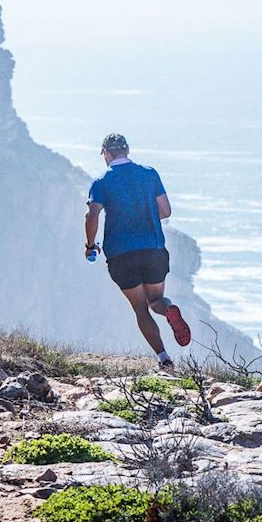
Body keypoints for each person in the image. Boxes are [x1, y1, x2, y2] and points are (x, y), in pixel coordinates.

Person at [84, 133, 191, 369]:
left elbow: (92, 215)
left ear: (107, 154)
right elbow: (165, 211)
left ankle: (164, 359)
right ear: (127, 150)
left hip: (121, 254)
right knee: (156, 300)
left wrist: (90, 245)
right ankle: (169, 310)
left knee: (140, 308)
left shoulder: (101, 182)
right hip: (153, 248)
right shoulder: (149, 174)